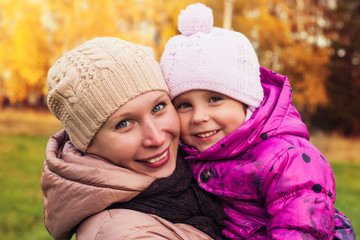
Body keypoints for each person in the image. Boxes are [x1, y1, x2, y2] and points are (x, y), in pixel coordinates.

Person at [160, 3, 355, 240]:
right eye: (184, 105)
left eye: (215, 99)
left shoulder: (286, 158)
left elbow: (301, 228)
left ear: (247, 102)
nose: (199, 117)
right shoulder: (190, 154)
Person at [41, 37, 225, 240]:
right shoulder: (122, 233)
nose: (156, 138)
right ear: (87, 144)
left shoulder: (197, 172)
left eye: (158, 107)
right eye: (124, 124)